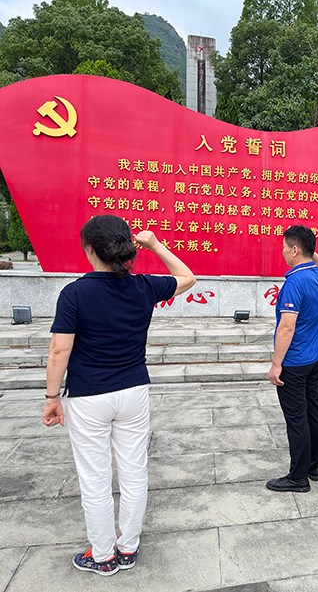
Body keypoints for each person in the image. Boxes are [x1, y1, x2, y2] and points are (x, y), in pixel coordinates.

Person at [42, 215, 195, 576]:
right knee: (133, 471)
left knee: (95, 478)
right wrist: (155, 244)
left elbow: (59, 351)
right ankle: (127, 548)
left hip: (88, 396)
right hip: (133, 392)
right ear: (128, 246)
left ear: (90, 249)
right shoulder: (143, 286)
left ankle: (103, 556)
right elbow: (188, 277)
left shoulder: (75, 293)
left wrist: (51, 397)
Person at [267, 225, 318, 492]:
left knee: (297, 418)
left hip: (294, 362)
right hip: (314, 358)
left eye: (285, 247)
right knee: (313, 410)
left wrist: (276, 365)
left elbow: (287, 327)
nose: (282, 251)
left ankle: (298, 477)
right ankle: (314, 466)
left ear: (295, 250)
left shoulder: (295, 282)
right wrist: (310, 250)